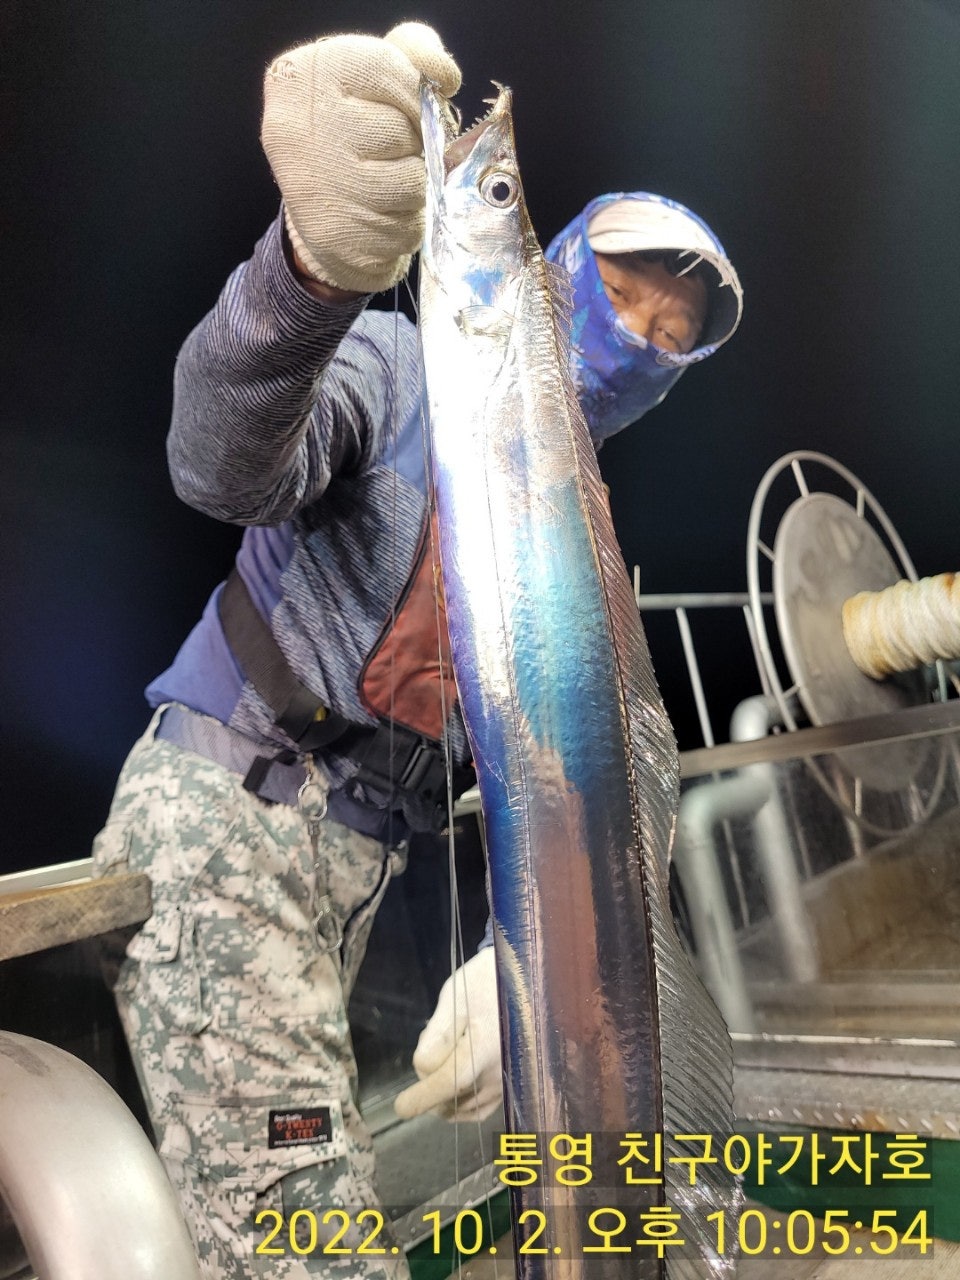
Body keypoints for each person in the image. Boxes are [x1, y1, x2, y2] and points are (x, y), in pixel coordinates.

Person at [92, 20, 742, 1280]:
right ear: (552, 266)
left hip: (358, 875)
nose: (642, 332)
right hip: (228, 820)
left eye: (674, 331)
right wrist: (309, 275)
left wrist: (527, 964)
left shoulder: (586, 530)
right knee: (312, 1247)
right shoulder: (395, 366)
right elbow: (215, 459)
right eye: (624, 290)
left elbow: (599, 768)